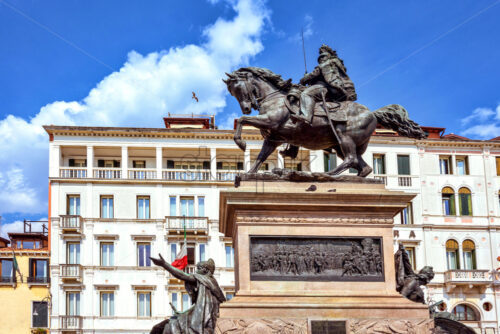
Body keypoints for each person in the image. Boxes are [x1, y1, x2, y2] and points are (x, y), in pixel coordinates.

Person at [150, 254, 226, 334]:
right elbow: (199, 305)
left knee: (171, 325)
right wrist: (184, 312)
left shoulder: (203, 279)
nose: (196, 271)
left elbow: (182, 275)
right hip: (207, 316)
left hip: (205, 319)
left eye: (198, 268)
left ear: (205, 270)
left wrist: (164, 264)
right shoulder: (212, 283)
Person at [298, 44, 357, 124]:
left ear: (327, 57)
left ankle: (306, 117)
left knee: (306, 94)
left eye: (322, 57)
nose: (321, 60)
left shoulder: (327, 64)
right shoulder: (335, 63)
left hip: (327, 88)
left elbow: (314, 74)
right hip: (336, 89)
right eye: (320, 59)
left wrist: (304, 79)